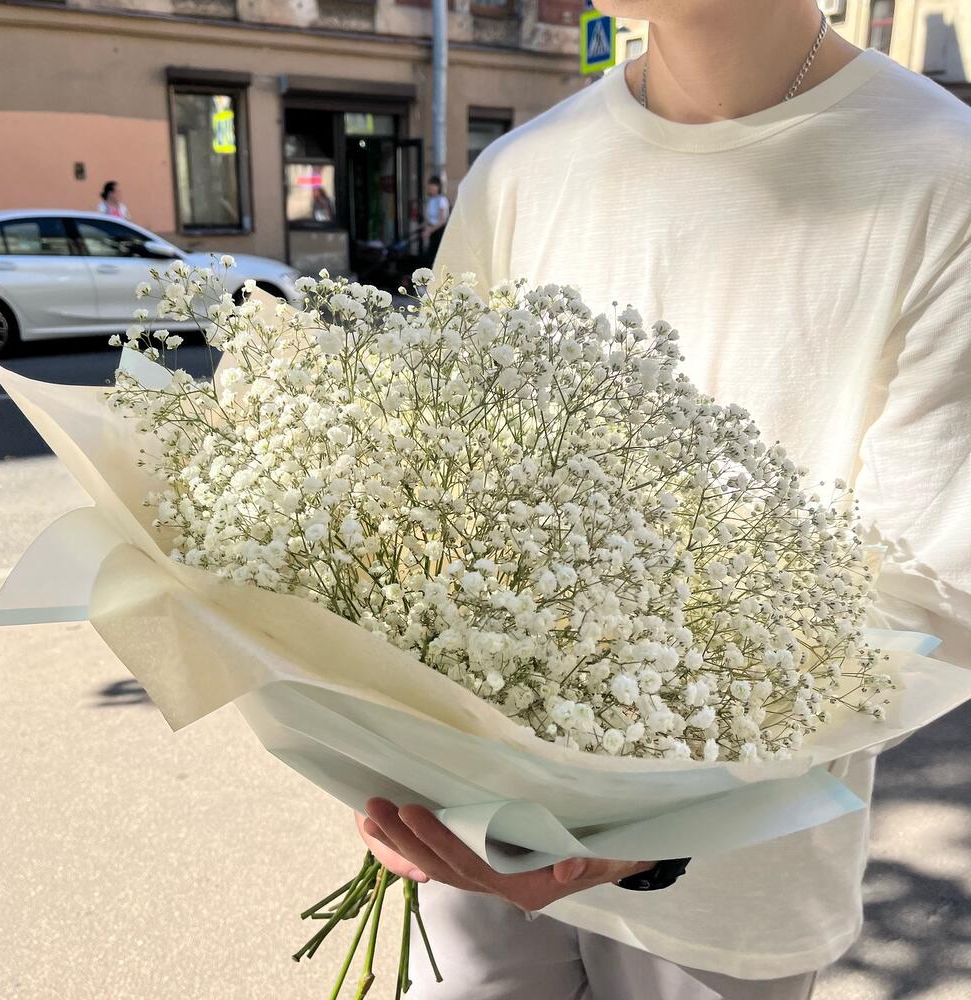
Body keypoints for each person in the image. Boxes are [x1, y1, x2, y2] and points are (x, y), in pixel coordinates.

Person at [356, 1, 971, 998]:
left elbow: (928, 597)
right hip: (472, 837)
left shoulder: (943, 175)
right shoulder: (518, 174)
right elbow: (432, 503)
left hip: (731, 898)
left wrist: (658, 821)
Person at [420, 174, 450, 265]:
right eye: (429, 186)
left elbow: (442, 220)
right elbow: (429, 218)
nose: (430, 188)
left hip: (439, 231)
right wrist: (425, 227)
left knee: (435, 257)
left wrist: (429, 231)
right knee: (430, 256)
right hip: (432, 230)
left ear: (438, 187)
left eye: (433, 186)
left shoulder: (441, 200)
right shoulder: (430, 200)